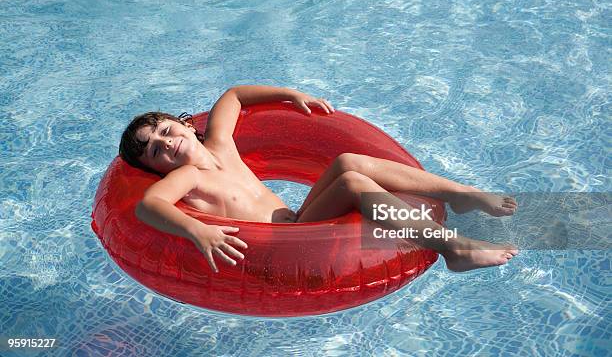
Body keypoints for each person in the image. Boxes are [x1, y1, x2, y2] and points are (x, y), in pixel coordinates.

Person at [119, 85, 518, 273]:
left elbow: (234, 96)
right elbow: (149, 205)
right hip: (278, 250)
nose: (165, 143)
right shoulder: (188, 175)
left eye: (165, 130)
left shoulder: (221, 144)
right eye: (154, 150)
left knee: (347, 161)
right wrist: (195, 231)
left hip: (295, 223)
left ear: (187, 125)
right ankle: (455, 249)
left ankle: (462, 194)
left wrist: (291, 94)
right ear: (158, 169)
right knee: (354, 185)